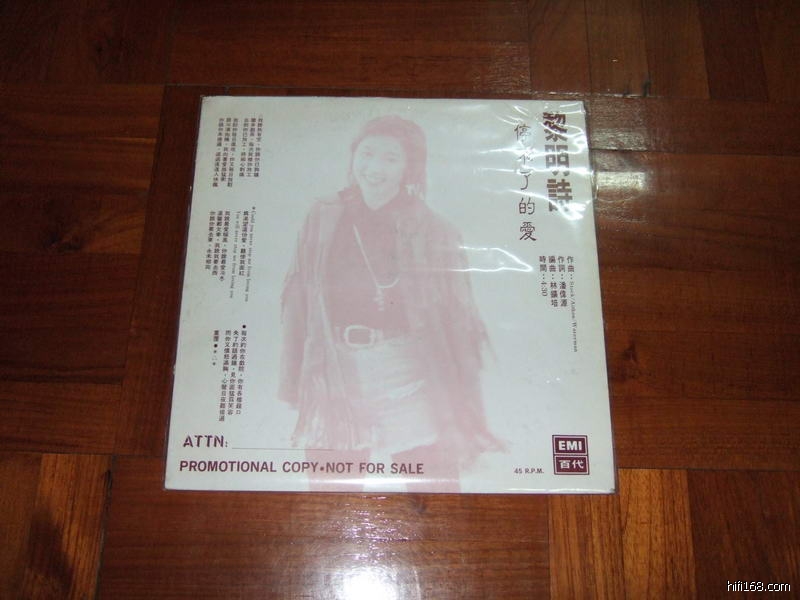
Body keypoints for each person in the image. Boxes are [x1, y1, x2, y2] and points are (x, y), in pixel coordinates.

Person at [279, 115, 501, 491]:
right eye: (366, 154)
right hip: (335, 369)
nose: (374, 168)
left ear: (409, 167)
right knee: (332, 491)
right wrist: (293, 379)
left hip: (408, 373)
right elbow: (298, 300)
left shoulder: (435, 230)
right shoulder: (323, 216)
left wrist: (463, 403)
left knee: (432, 489)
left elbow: (458, 324)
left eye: (390, 158)